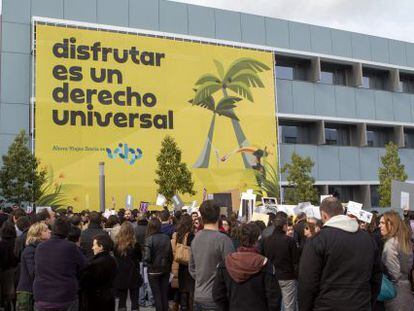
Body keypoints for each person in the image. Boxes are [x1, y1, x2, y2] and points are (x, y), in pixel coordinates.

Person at [298, 197, 382, 311]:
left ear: (323, 215)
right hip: (360, 305)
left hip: (327, 306)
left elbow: (307, 284)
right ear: (341, 212)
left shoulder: (317, 240)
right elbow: (376, 278)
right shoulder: (368, 239)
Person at [213, 222, 281, 311]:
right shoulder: (265, 264)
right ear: (257, 239)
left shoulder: (225, 264)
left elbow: (218, 295)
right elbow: (274, 298)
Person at [33, 217, 87, 311]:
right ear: (67, 232)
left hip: (42, 295)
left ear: (53, 230)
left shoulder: (40, 247)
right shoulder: (71, 247)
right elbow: (84, 265)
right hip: (65, 295)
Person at [189, 200, 235, 311]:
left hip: (199, 295)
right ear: (218, 216)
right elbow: (232, 269)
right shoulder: (223, 240)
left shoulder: (196, 238)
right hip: (217, 298)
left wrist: (202, 277)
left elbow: (191, 268)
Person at [263, 212, 299, 311]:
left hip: (272, 276)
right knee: (289, 307)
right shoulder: (290, 241)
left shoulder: (266, 240)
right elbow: (295, 260)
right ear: (284, 226)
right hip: (288, 277)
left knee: (273, 305)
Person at [379, 211, 414, 310]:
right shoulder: (403, 241)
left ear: (390, 224)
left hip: (395, 291)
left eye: (382, 223)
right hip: (406, 288)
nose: (379, 225)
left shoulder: (390, 244)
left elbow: (393, 272)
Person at [16, 222, 51, 311]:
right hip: (27, 292)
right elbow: (33, 272)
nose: (49, 231)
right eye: (46, 230)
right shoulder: (30, 250)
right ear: (38, 233)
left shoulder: (39, 248)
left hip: (36, 291)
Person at [80, 234, 118, 311]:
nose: (92, 248)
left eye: (94, 245)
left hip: (95, 301)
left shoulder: (95, 264)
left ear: (101, 247)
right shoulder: (112, 260)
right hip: (108, 298)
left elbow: (85, 283)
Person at [144, 218, 173, 311]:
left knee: (157, 295)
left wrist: (147, 264)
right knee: (164, 294)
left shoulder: (149, 239)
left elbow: (147, 257)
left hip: (153, 270)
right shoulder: (166, 237)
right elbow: (170, 255)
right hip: (165, 269)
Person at [114, 222, 142, 311]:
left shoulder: (117, 245)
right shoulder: (135, 245)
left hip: (121, 274)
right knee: (135, 300)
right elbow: (140, 258)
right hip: (133, 273)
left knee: (122, 301)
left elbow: (115, 256)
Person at [171, 214, 195, 310]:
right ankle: (185, 307)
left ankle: (180, 306)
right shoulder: (191, 235)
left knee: (182, 289)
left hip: (179, 264)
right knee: (188, 290)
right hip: (188, 265)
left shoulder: (177, 234)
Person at [0, 221, 19, 311]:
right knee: (15, 295)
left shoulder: (1, 243)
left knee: (6, 296)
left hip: (4, 272)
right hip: (16, 270)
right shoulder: (16, 242)